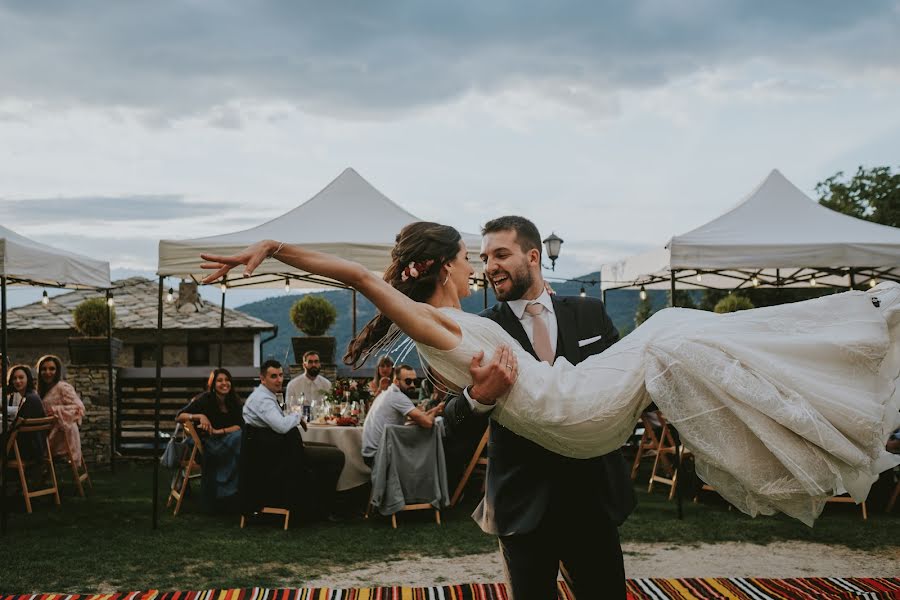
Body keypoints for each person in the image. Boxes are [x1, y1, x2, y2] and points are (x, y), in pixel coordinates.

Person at [200, 221, 900, 535]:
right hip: (572, 412)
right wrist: (274, 249)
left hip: (572, 419)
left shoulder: (447, 330)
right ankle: (853, 361)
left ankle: (828, 419)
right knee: (672, 328)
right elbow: (355, 274)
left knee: (681, 339)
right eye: (472, 257)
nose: (479, 267)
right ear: (446, 267)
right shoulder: (431, 322)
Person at [437, 216, 632, 598]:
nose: (490, 266)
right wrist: (480, 397)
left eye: (501, 254)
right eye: (484, 256)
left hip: (592, 497)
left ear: (533, 256)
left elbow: (620, 385)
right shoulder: (481, 329)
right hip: (522, 504)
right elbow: (449, 417)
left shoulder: (590, 313)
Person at [242, 359, 345, 521]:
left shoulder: (265, 395)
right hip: (276, 456)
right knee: (337, 456)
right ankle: (326, 508)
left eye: (281, 375)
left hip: (278, 450)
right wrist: (297, 416)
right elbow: (282, 426)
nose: (279, 380)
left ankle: (318, 504)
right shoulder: (262, 400)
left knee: (330, 448)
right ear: (263, 379)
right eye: (273, 376)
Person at [176, 368, 244, 511]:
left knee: (243, 440)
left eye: (227, 380)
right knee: (242, 445)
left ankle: (234, 494)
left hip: (226, 441)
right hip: (208, 446)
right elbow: (179, 416)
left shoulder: (234, 401)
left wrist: (219, 431)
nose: (224, 383)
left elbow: (240, 426)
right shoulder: (205, 399)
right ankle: (226, 495)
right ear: (212, 384)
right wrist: (199, 416)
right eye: (220, 380)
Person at [361, 364, 444, 467]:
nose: (413, 385)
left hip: (370, 452)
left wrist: (435, 409)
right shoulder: (398, 397)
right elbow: (427, 423)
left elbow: (415, 418)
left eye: (415, 381)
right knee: (426, 457)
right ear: (396, 381)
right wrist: (436, 412)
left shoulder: (388, 393)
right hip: (378, 456)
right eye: (408, 381)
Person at [37, 355, 86, 464]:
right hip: (47, 429)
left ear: (57, 371)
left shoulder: (63, 387)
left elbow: (79, 407)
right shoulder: (41, 390)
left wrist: (55, 410)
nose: (47, 372)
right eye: (43, 369)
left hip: (61, 432)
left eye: (52, 369)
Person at [6, 364, 47, 461]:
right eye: (14, 378)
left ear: (28, 378)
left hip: (27, 450)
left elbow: (15, 424)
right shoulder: (24, 396)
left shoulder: (30, 398)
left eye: (21, 377)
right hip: (33, 446)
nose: (17, 381)